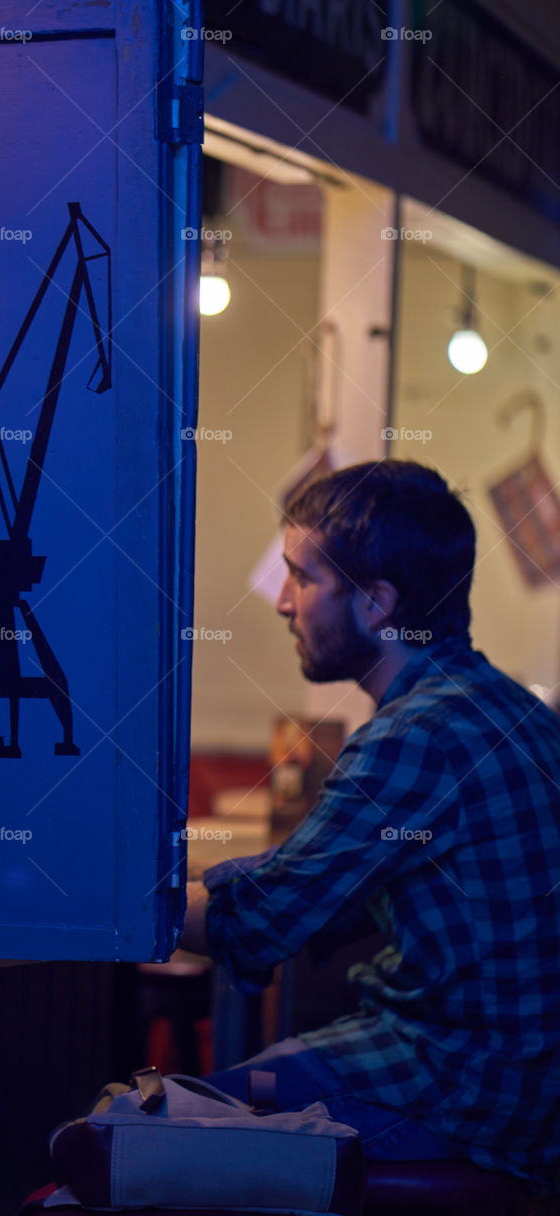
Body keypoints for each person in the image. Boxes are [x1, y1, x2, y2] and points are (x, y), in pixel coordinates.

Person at [182, 459, 560, 1195]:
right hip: (518, 1080)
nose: (283, 603)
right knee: (208, 1092)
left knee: (139, 1129)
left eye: (302, 577)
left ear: (376, 602)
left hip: (468, 1088)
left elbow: (255, 927)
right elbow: (334, 895)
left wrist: (115, 905)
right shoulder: (502, 706)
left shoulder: (417, 734)